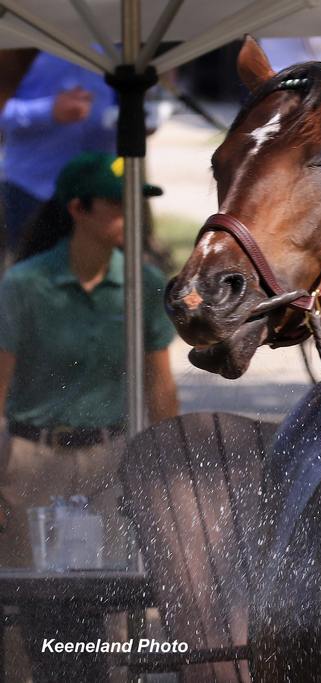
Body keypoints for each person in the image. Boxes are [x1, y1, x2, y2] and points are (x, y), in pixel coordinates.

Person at [0, 152, 179, 681]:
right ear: (78, 208)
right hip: (30, 464)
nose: (132, 216)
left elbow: (161, 391)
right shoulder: (23, 286)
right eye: (117, 204)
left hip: (111, 461)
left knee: (112, 604)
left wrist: (166, 473)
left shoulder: (145, 285)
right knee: (22, 608)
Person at [0, 51, 117, 255]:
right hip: (30, 187)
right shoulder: (22, 45)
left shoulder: (111, 44)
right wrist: (48, 111)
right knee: (25, 274)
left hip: (95, 188)